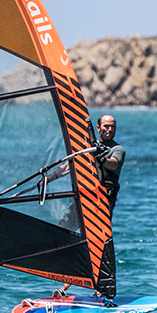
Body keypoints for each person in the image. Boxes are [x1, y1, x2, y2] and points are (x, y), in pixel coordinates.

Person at [52, 114, 126, 299]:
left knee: (97, 243)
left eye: (113, 126)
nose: (109, 129)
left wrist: (100, 157)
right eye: (106, 126)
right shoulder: (87, 148)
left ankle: (98, 290)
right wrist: (47, 179)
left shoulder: (117, 150)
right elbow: (67, 167)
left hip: (101, 203)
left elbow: (113, 163)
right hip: (83, 199)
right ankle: (76, 278)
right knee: (62, 235)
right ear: (98, 128)